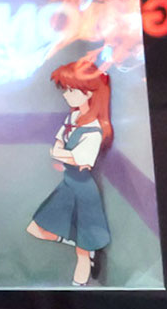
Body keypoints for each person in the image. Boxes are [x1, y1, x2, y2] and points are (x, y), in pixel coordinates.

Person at [26, 55, 115, 286]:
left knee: (82, 255)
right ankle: (82, 245)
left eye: (71, 90)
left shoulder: (94, 129)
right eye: (65, 89)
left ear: (89, 92)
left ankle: (80, 284)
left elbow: (81, 160)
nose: (66, 95)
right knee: (36, 229)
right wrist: (62, 152)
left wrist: (60, 153)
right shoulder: (74, 116)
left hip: (83, 191)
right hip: (67, 185)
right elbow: (59, 143)